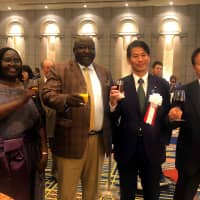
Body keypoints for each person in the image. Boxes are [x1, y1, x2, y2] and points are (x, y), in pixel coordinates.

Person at [42, 36, 113, 200]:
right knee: (67, 193)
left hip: (98, 142)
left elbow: (110, 102)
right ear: (74, 50)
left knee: (92, 192)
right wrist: (66, 99)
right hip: (70, 140)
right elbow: (47, 94)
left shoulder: (104, 72)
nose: (87, 51)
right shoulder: (60, 69)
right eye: (82, 47)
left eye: (90, 48)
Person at [109, 40, 171, 200]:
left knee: (152, 194)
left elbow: (165, 117)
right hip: (127, 148)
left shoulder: (162, 85)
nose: (140, 59)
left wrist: (163, 141)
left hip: (152, 148)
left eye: (143, 55)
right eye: (135, 56)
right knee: (126, 193)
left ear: (149, 57)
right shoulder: (120, 84)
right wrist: (113, 105)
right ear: (129, 59)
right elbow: (113, 117)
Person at [0, 47, 47, 200]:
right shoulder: (24, 94)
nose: (12, 64)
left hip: (30, 152)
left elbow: (40, 122)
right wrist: (21, 101)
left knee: (30, 193)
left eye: (16, 60)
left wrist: (44, 152)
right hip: (4, 156)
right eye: (7, 60)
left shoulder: (25, 88)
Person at [168, 47, 200, 200]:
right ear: (194, 67)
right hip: (190, 158)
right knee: (183, 196)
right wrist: (173, 116)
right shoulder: (184, 91)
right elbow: (173, 122)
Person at [39, 59, 57, 180]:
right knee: (39, 149)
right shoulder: (36, 83)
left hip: (55, 122)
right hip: (39, 122)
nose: (49, 70)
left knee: (55, 150)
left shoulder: (59, 83)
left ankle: (55, 173)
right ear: (42, 69)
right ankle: (39, 172)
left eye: (51, 67)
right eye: (46, 67)